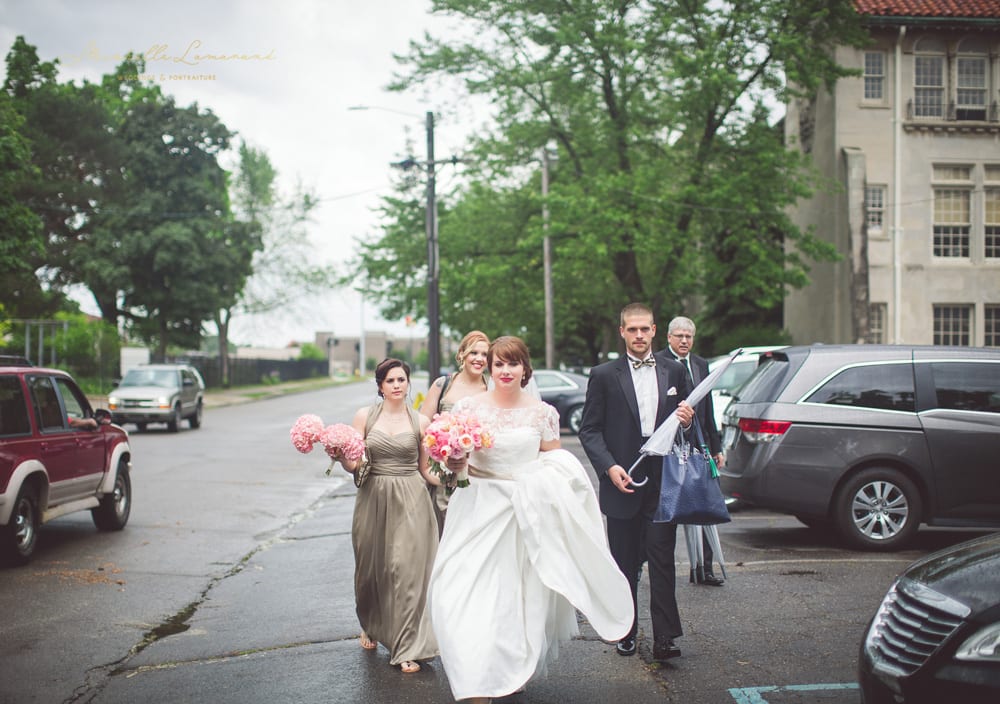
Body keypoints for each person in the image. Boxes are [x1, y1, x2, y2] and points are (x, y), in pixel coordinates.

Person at [429, 336, 633, 703]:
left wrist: (555, 498)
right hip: (476, 508)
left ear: (525, 369)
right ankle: (473, 676)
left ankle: (506, 668)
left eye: (513, 363)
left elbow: (553, 461)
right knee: (458, 592)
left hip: (523, 512)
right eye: (499, 364)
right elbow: (450, 466)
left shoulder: (543, 413)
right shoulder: (466, 409)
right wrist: (455, 462)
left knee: (512, 596)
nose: (505, 371)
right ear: (489, 368)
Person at [579, 303, 694, 662]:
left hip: (663, 482)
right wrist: (609, 468)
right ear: (623, 332)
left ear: (655, 330)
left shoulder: (674, 370)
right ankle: (626, 631)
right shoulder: (603, 374)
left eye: (645, 329)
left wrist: (688, 422)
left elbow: (690, 425)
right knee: (625, 563)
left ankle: (665, 638)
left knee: (662, 559)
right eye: (633, 330)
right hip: (621, 480)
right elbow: (590, 429)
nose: (640, 335)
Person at [332, 358, 441, 675]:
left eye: (402, 380)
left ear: (408, 384)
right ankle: (370, 623)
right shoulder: (364, 417)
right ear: (380, 386)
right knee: (371, 572)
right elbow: (355, 465)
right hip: (373, 497)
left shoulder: (420, 421)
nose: (397, 385)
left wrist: (454, 474)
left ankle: (406, 647)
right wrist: (340, 457)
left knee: (405, 571)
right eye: (390, 380)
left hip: (411, 499)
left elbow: (426, 470)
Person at [657, 316, 726, 587]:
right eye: (679, 336)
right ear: (669, 337)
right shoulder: (661, 362)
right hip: (670, 445)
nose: (684, 341)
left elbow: (706, 408)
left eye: (688, 336)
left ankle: (703, 569)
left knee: (704, 504)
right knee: (673, 504)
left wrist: (716, 445)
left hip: (700, 443)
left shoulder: (700, 364)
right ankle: (660, 565)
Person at [420, 330, 490, 533]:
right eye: (473, 353)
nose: (479, 359)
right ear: (462, 355)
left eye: (485, 355)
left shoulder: (491, 389)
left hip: (479, 477)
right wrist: (428, 472)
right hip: (443, 476)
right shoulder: (443, 385)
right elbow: (425, 432)